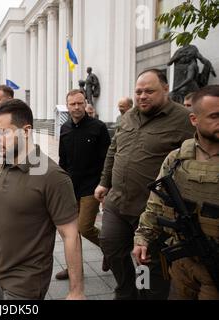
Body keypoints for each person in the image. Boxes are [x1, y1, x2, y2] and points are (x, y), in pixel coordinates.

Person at [0, 99, 85, 300]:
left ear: (26, 131)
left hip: (27, 282)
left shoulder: (53, 176)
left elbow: (70, 234)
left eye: (3, 133)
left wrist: (76, 291)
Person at [94, 69, 195, 300]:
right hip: (117, 203)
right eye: (138, 91)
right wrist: (103, 182)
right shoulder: (128, 116)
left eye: (149, 91)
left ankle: (145, 292)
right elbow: (113, 150)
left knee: (147, 262)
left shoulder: (183, 119)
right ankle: (126, 289)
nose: (142, 96)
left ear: (166, 89)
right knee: (111, 246)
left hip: (151, 211)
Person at [133, 85, 219, 300]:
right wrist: (142, 237)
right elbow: (156, 202)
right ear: (194, 120)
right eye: (215, 116)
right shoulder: (177, 158)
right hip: (183, 261)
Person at [55, 90, 111, 281]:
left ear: (85, 103)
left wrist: (105, 184)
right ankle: (74, 269)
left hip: (92, 186)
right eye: (73, 104)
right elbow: (62, 159)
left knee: (84, 227)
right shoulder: (64, 128)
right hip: (71, 186)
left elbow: (107, 159)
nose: (77, 107)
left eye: (80, 103)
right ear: (67, 106)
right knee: (71, 232)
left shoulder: (99, 127)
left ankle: (110, 249)